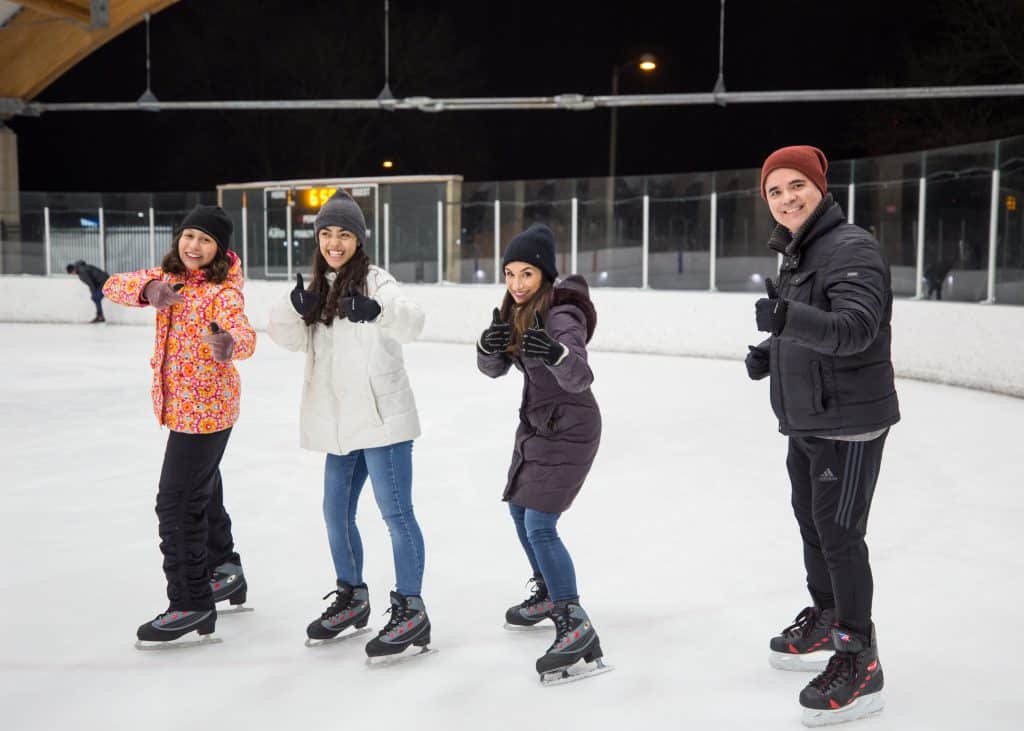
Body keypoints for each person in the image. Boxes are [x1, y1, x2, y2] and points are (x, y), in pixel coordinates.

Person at [745, 146, 900, 725]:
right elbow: (813, 322)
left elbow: (857, 328)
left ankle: (860, 657)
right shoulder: (800, 249)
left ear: (819, 187)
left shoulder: (850, 246)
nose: (786, 198)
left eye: (795, 186)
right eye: (774, 192)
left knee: (839, 535)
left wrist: (787, 323)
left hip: (850, 423)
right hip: (809, 417)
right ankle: (828, 615)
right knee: (811, 522)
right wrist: (772, 350)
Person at [267, 190, 431, 661]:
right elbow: (290, 339)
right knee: (335, 513)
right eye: (326, 233)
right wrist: (295, 309)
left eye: (344, 234)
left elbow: (414, 322)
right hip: (340, 426)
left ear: (359, 240)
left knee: (396, 515)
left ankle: (412, 609)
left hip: (383, 421)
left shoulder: (377, 282)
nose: (334, 242)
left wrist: (378, 312)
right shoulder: (316, 285)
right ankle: (353, 598)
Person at [102, 205, 256, 647]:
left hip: (205, 412)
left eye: (205, 240)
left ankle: (190, 602)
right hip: (184, 409)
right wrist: (149, 288)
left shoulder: (221, 293)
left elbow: (242, 333)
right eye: (189, 236)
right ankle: (225, 569)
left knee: (175, 503)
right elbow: (114, 284)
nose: (194, 246)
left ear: (220, 251)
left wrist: (229, 344)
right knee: (202, 494)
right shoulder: (168, 277)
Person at [476, 223, 607, 684]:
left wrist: (556, 354)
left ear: (544, 275)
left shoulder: (560, 315)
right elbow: (495, 369)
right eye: (509, 273)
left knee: (540, 524)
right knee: (518, 510)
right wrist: (487, 349)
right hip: (537, 426)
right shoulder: (518, 311)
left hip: (571, 427)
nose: (516, 283)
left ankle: (575, 624)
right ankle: (549, 594)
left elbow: (579, 374)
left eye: (526, 273)